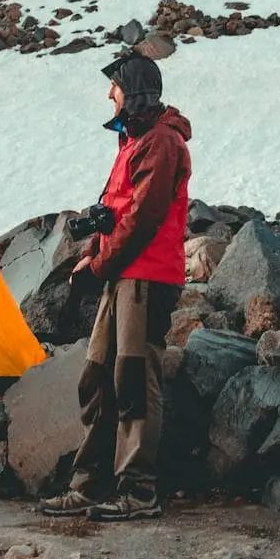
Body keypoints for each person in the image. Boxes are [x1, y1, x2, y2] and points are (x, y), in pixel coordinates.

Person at [38, 50, 191, 521]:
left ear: (135, 92)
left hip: (146, 276)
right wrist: (94, 253)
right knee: (99, 374)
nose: (109, 94)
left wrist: (99, 265)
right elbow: (122, 211)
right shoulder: (134, 139)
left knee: (133, 377)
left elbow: (144, 220)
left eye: (116, 86)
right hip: (122, 273)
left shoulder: (161, 143)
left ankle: (138, 489)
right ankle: (89, 483)